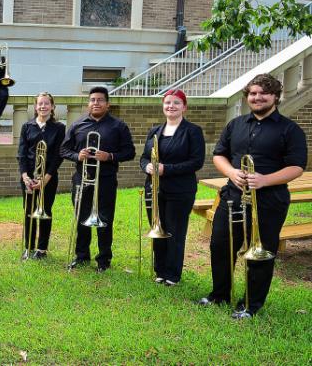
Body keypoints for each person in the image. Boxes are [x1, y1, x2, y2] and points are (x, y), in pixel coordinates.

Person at [198, 74, 306, 319]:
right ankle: (219, 295)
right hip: (232, 196)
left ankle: (250, 304)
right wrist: (231, 172)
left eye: (263, 93)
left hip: (269, 200)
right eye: (253, 94)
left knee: (261, 252)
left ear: (275, 97)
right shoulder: (235, 124)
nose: (257, 98)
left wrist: (265, 179)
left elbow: (297, 166)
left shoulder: (290, 129)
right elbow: (219, 155)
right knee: (220, 246)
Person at [60, 86, 135, 272]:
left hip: (106, 180)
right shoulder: (77, 125)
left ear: (107, 104)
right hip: (81, 178)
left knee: (105, 219)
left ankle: (103, 260)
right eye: (93, 99)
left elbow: (130, 152)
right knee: (81, 218)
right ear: (88, 103)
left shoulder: (119, 126)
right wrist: (78, 155)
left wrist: (109, 156)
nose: (96, 103)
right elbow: (63, 150)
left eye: (100, 100)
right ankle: (82, 256)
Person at [139, 89, 205, 286]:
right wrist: (147, 166)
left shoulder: (193, 131)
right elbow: (144, 157)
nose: (171, 106)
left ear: (184, 107)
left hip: (180, 190)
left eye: (176, 103)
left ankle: (172, 274)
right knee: (157, 229)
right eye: (167, 102)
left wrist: (166, 169)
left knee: (175, 231)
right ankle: (160, 271)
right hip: (154, 188)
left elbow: (196, 162)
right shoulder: (154, 131)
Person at [17, 92, 65, 260]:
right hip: (29, 177)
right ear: (35, 107)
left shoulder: (59, 128)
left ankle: (42, 248)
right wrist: (24, 175)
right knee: (28, 211)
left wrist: (47, 177)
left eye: (46, 103)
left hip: (48, 177)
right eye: (40, 104)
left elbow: (59, 155)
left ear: (52, 107)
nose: (43, 106)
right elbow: (21, 153)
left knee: (45, 210)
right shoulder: (27, 126)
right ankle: (28, 247)